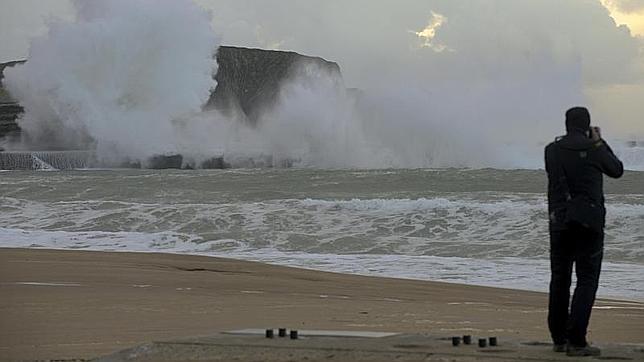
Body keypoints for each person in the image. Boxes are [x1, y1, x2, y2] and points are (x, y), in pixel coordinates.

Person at [544, 107, 623, 357]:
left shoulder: (551, 150)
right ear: (587, 125)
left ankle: (558, 338)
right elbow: (616, 170)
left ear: (566, 124)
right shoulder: (593, 148)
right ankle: (577, 340)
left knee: (560, 279)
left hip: (559, 221)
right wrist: (599, 142)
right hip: (588, 223)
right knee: (586, 279)